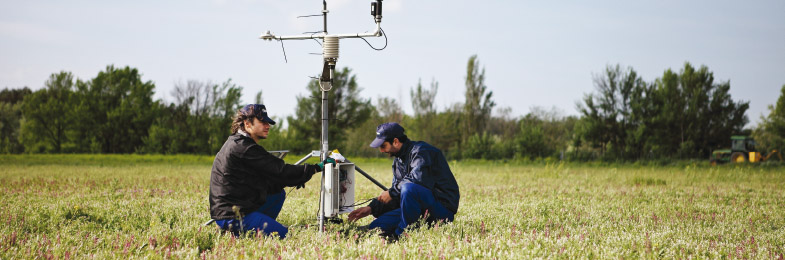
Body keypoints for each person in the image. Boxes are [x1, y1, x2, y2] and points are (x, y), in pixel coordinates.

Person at [209, 104, 333, 238]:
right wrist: (316, 167)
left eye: (268, 122)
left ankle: (252, 230)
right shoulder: (244, 147)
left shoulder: (239, 142)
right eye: (262, 122)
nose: (267, 126)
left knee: (277, 194)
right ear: (247, 124)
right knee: (285, 236)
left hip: (236, 207)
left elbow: (267, 178)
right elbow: (281, 171)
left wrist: (296, 178)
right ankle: (241, 232)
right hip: (232, 214)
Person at [347, 122, 460, 238]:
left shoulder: (422, 151)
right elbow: (397, 197)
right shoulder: (398, 162)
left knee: (408, 188)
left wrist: (391, 192)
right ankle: (366, 233)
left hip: (441, 210)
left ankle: (401, 235)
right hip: (418, 209)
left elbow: (416, 180)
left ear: (395, 142)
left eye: (383, 146)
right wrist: (371, 208)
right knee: (376, 226)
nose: (381, 150)